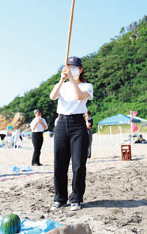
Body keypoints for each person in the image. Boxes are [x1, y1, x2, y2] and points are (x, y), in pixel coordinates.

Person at [49, 56, 93, 211]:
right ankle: (60, 198)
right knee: (59, 164)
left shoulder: (87, 86)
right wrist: (62, 80)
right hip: (61, 123)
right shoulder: (61, 85)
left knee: (78, 165)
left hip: (78, 125)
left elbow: (79, 96)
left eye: (75, 67)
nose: (72, 69)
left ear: (80, 69)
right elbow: (52, 97)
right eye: (69, 67)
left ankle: (76, 198)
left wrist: (73, 80)